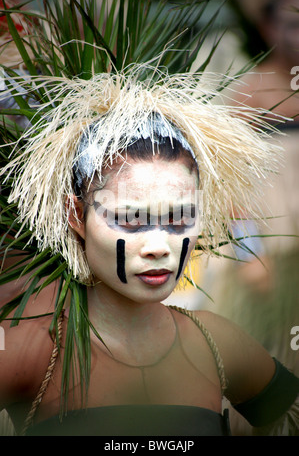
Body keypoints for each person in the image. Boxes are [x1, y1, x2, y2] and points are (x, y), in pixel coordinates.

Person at [0, 65, 298, 437]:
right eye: (130, 220)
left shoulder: (217, 344)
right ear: (76, 215)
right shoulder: (30, 348)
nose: (158, 246)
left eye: (179, 219)